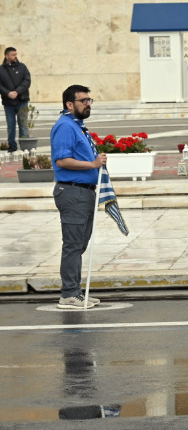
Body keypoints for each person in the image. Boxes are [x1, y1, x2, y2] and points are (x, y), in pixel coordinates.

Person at [50, 85, 106, 310]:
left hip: (84, 192)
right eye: (83, 100)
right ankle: (69, 294)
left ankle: (75, 290)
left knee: (80, 244)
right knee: (73, 244)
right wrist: (92, 164)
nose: (88, 104)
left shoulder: (76, 126)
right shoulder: (65, 126)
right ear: (69, 104)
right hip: (72, 192)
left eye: (89, 100)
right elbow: (61, 161)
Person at [1, 47, 31, 152]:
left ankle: (25, 147)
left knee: (23, 124)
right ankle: (12, 146)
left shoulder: (22, 67)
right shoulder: (1, 69)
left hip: (22, 101)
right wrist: (7, 93)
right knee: (11, 126)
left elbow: (27, 81)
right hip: (8, 103)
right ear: (7, 56)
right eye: (13, 54)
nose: (15, 56)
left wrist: (17, 91)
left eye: (16, 54)